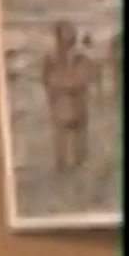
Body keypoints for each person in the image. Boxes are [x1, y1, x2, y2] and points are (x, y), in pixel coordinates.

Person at [41, 20, 96, 174]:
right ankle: (62, 166)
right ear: (58, 36)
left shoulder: (80, 56)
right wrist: (56, 90)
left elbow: (87, 76)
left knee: (79, 132)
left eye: (70, 33)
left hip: (78, 98)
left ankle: (79, 164)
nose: (68, 37)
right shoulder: (51, 57)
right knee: (62, 135)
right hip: (61, 99)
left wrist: (79, 85)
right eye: (65, 33)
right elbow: (46, 79)